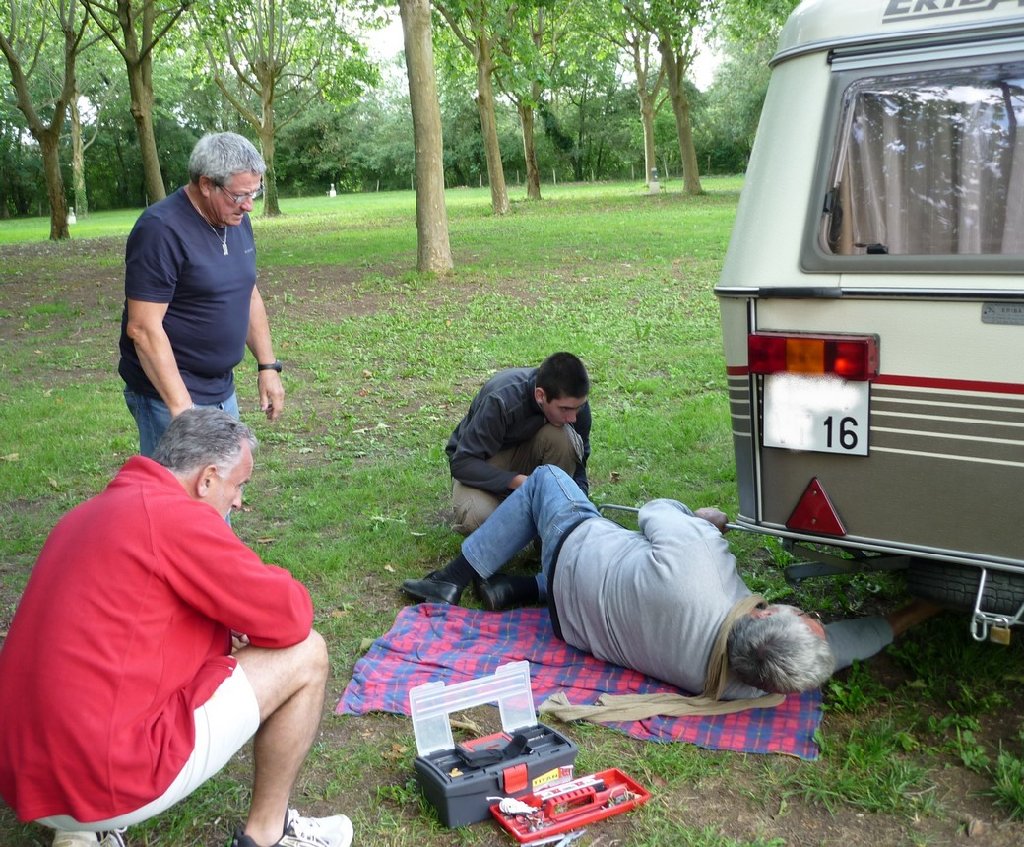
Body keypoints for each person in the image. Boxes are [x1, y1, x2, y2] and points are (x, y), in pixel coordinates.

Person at [0, 410, 351, 847]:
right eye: (239, 485)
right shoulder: (173, 516)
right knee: (307, 652)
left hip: (19, 768)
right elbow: (291, 615)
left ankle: (81, 831)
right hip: (102, 779)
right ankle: (267, 834)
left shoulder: (89, 512)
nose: (239, 502)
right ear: (207, 479)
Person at [402, 465, 941, 698]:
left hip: (574, 561)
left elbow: (654, 510)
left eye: (805, 616)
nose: (815, 615)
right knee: (633, 571)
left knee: (547, 480)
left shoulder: (704, 562)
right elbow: (850, 644)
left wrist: (701, 520)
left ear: (762, 614)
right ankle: (524, 590)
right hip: (572, 627)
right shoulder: (741, 685)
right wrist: (927, 607)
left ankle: (450, 580)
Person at [118, 131, 285, 457]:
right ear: (206, 184)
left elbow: (247, 292)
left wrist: (268, 366)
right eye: (239, 195)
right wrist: (184, 413)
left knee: (224, 480)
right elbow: (143, 328)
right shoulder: (160, 230)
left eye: (255, 192)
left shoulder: (235, 219)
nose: (249, 205)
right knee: (179, 487)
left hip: (222, 388)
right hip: (169, 394)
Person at [446, 352, 591, 535]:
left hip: (528, 459)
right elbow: (462, 463)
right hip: (485, 464)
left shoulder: (575, 406)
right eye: (565, 409)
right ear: (540, 395)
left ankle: (549, 534)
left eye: (578, 408)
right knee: (477, 518)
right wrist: (523, 483)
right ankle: (512, 513)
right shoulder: (501, 399)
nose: (572, 417)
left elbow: (579, 464)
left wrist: (581, 505)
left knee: (563, 437)